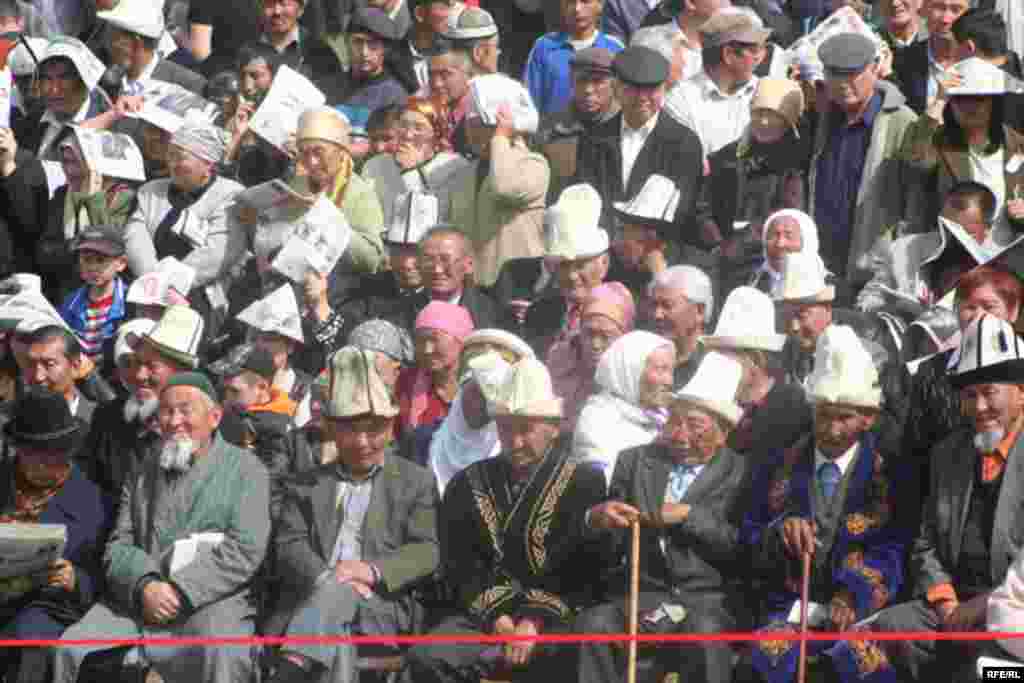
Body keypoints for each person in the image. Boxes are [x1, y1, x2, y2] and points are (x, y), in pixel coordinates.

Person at [52, 371, 271, 683]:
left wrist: (180, 590)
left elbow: (245, 548)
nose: (174, 421)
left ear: (214, 417)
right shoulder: (143, 469)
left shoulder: (247, 470)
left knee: (223, 652)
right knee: (72, 649)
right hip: (139, 600)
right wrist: (145, 585)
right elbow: (119, 544)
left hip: (211, 599)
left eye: (185, 411)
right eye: (166, 411)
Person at [405, 357, 608, 683]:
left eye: (526, 430)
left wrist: (533, 621)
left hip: (556, 618)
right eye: (506, 428)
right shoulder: (466, 484)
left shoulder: (585, 483)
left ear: (554, 428)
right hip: (483, 618)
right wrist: (498, 618)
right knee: (428, 657)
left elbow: (585, 568)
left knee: (572, 656)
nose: (515, 442)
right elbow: (459, 564)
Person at [742, 325, 909, 683]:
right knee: (768, 658)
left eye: (845, 417)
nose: (832, 430)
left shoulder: (889, 474)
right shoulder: (779, 464)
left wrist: (853, 593)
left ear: (868, 418)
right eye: (824, 415)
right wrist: (780, 531)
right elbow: (749, 533)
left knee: (863, 664)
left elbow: (894, 547)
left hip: (857, 612)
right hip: (787, 608)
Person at [265, 346, 440, 683]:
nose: (361, 442)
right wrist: (329, 581)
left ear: (390, 426)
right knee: (338, 622)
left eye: (373, 430)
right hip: (313, 598)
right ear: (332, 429)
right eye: (350, 430)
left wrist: (370, 571)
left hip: (382, 606)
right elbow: (289, 544)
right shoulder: (307, 483)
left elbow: (426, 550)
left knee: (339, 604)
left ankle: (290, 670)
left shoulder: (416, 481)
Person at [581, 351, 751, 683]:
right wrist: (601, 519)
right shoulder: (634, 461)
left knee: (704, 635)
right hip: (641, 595)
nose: (679, 435)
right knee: (594, 626)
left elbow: (743, 547)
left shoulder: (742, 472)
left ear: (723, 432)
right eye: (674, 421)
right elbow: (609, 544)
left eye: (694, 425)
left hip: (705, 601)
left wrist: (690, 515)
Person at [874, 313, 1024, 682]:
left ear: (1020, 392)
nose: (980, 407)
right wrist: (945, 603)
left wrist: (985, 606)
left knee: (988, 670)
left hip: (1013, 613)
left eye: (990, 392)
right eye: (970, 396)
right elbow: (925, 542)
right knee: (890, 630)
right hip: (953, 607)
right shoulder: (948, 454)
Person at [0, 388, 112, 683]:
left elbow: (105, 576)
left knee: (30, 639)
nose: (40, 464)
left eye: (51, 456)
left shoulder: (94, 502)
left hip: (46, 605)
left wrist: (75, 579)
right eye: (31, 455)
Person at [900, 263, 1023, 527]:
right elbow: (915, 452)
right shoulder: (932, 372)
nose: (978, 316)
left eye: (989, 306)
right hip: (952, 496)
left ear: (1012, 311)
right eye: (969, 307)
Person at [810, 32, 917, 286]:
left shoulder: (902, 122)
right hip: (821, 267)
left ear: (874, 68)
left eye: (853, 73)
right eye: (835, 73)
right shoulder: (824, 119)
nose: (843, 83)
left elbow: (915, 204)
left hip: (875, 274)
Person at [575, 45, 704, 243]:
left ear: (664, 89)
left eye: (651, 89)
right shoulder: (593, 139)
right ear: (616, 87)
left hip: (659, 250)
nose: (642, 98)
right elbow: (586, 198)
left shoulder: (684, 142)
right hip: (603, 247)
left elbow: (682, 210)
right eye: (633, 89)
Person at [122, 120, 246, 309]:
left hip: (199, 296)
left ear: (207, 162)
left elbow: (218, 253)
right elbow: (135, 240)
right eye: (170, 155)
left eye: (180, 158)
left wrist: (172, 284)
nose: (172, 164)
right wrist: (154, 284)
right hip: (147, 291)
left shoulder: (230, 194)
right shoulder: (150, 191)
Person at [77, 310, 200, 500]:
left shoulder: (206, 430)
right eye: (137, 363)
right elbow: (88, 486)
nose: (139, 375)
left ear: (181, 373)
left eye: (152, 366)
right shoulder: (108, 417)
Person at [902, 57, 1024, 236]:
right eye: (959, 98)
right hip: (953, 248)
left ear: (994, 102)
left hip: (1008, 248)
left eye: (978, 98)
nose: (968, 106)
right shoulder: (938, 142)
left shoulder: (1018, 145)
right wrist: (939, 100)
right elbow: (914, 161)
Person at [448, 73, 550, 287]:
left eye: (478, 122)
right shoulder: (464, 174)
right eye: (468, 121)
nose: (469, 129)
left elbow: (505, 188)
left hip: (516, 287)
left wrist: (501, 137)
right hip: (472, 288)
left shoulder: (533, 164)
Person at [699, 77, 811, 270]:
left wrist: (746, 241)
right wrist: (718, 243)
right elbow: (702, 206)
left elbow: (792, 211)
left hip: (780, 260)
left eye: (773, 115)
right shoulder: (726, 158)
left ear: (789, 120)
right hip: (727, 261)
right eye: (759, 113)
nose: (764, 121)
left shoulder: (801, 162)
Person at [858, 181, 1005, 313]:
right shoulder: (903, 249)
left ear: (987, 229)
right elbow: (870, 297)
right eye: (945, 228)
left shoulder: (998, 267)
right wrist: (889, 307)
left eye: (964, 233)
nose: (952, 239)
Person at [28, 131, 137, 304]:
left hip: (109, 298)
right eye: (65, 161)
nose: (69, 170)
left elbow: (110, 247)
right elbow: (44, 253)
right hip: (65, 295)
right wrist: (77, 247)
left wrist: (94, 200)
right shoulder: (62, 195)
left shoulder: (124, 198)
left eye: (78, 162)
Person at [703, 286, 811, 456]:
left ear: (755, 358)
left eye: (725, 354)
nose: (717, 363)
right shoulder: (712, 400)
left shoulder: (793, 408)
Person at [292, 107, 386, 286]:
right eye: (304, 152)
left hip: (339, 292)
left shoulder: (360, 193)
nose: (311, 162)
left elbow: (371, 259)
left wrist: (324, 217)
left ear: (341, 151)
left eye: (319, 152)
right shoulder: (297, 185)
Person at [665, 7, 770, 160]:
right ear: (729, 55)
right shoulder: (680, 101)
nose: (760, 57)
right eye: (754, 50)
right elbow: (686, 166)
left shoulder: (766, 91)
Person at [573, 330, 676, 483]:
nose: (669, 381)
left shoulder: (663, 418)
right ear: (631, 371)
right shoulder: (598, 420)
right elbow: (607, 484)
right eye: (661, 369)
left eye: (671, 371)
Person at [524, 184, 611, 356]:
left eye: (580, 265)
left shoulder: (619, 312)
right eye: (563, 265)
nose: (572, 276)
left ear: (604, 264)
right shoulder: (539, 313)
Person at [361, 96, 471, 227]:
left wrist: (413, 171)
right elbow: (367, 216)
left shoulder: (453, 166)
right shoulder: (375, 165)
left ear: (436, 132)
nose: (408, 135)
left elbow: (430, 216)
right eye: (403, 125)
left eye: (419, 128)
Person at [215, 345, 295, 518]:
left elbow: (267, 488)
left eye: (234, 391)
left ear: (262, 387)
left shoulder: (279, 433)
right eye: (224, 389)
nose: (227, 398)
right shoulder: (231, 414)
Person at [534, 47, 621, 204]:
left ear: (614, 84)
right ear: (571, 82)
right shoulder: (549, 130)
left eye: (598, 81)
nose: (588, 90)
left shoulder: (627, 128)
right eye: (581, 81)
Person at [547, 282, 635, 433]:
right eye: (589, 333)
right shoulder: (559, 357)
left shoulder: (635, 373)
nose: (595, 344)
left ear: (624, 336)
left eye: (606, 336)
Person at [337, 198, 431, 329]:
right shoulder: (363, 291)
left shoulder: (450, 298)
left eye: (416, 252)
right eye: (398, 251)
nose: (406, 263)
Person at [523, 0, 624, 116]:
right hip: (554, 126)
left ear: (600, 5)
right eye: (570, 2)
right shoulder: (543, 47)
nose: (577, 9)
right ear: (562, 6)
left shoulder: (615, 48)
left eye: (585, 1)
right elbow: (529, 104)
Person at [396, 301, 474, 437]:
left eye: (434, 339)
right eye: (420, 341)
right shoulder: (405, 383)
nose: (427, 349)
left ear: (461, 340)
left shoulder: (480, 388)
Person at [98, 0, 207, 96]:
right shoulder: (104, 78)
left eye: (113, 37)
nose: (108, 43)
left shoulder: (191, 86)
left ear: (136, 43)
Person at [609, 174, 686, 302]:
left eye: (622, 232)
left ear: (651, 237)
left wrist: (659, 276)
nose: (614, 242)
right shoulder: (611, 269)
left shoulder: (685, 274)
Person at [58, 226, 129, 365]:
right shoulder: (70, 303)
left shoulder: (130, 302)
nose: (92, 267)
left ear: (121, 263)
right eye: (87, 260)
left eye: (101, 260)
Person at [409, 225, 501, 329]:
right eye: (428, 260)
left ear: (469, 265)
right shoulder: (401, 314)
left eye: (446, 260)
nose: (437, 270)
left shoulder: (494, 316)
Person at [319, 7, 410, 110]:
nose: (364, 52)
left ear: (385, 48)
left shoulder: (394, 97)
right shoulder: (327, 87)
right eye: (358, 42)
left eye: (372, 43)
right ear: (347, 43)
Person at [890, 0, 969, 115]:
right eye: (939, 7)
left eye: (956, 10)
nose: (945, 19)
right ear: (924, 10)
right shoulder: (902, 60)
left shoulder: (982, 60)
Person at [648, 264, 713, 387]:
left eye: (667, 306)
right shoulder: (641, 359)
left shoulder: (715, 366)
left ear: (699, 311)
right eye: (654, 305)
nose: (657, 315)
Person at [20, 325, 96, 425]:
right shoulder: (7, 421)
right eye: (30, 364)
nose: (38, 376)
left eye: (49, 364)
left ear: (75, 366)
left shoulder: (101, 421)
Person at [750, 208, 826, 298]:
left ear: (807, 243)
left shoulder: (830, 287)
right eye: (774, 235)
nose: (780, 244)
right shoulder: (748, 282)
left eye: (788, 236)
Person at [442, 6, 500, 77]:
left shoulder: (433, 81)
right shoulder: (502, 83)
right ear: (480, 52)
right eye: (496, 47)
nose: (498, 53)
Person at [257, 0, 312, 72]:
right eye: (269, 3)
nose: (277, 11)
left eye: (284, 4)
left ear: (300, 10)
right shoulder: (246, 48)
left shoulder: (316, 50)